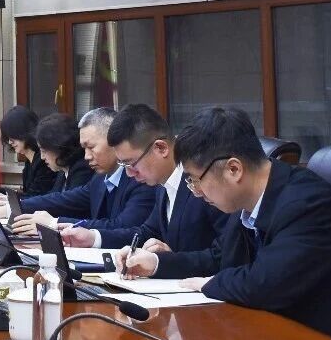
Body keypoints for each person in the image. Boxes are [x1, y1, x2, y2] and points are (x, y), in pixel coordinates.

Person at [118, 107, 331, 340]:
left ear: (233, 169)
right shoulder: (248, 202)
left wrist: (208, 283)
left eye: (194, 180)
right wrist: (157, 263)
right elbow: (218, 257)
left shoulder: (307, 205)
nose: (196, 192)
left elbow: (263, 284)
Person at [59, 103, 226, 252]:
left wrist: (164, 262)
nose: (129, 173)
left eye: (131, 163)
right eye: (123, 165)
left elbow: (220, 256)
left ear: (161, 148)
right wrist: (93, 238)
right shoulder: (162, 184)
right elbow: (147, 232)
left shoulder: (204, 182)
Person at [9, 107, 157, 236]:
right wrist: (15, 205)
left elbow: (123, 226)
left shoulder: (141, 177)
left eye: (91, 147)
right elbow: (64, 199)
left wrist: (54, 223)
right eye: (84, 148)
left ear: (115, 141)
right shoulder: (100, 178)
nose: (86, 156)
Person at [34, 112, 93, 194]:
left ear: (59, 147)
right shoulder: (63, 169)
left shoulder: (82, 169)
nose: (42, 157)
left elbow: (68, 199)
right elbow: (53, 196)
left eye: (44, 151)